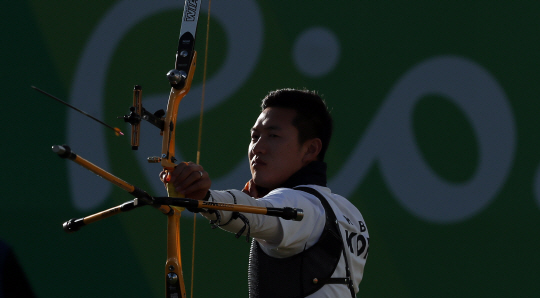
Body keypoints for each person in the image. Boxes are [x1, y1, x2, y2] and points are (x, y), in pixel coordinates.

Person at [164, 88, 369, 297]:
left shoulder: (300, 203)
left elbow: (258, 214)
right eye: (254, 136)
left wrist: (205, 198)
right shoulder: (349, 211)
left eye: (273, 135)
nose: (257, 148)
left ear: (310, 149)